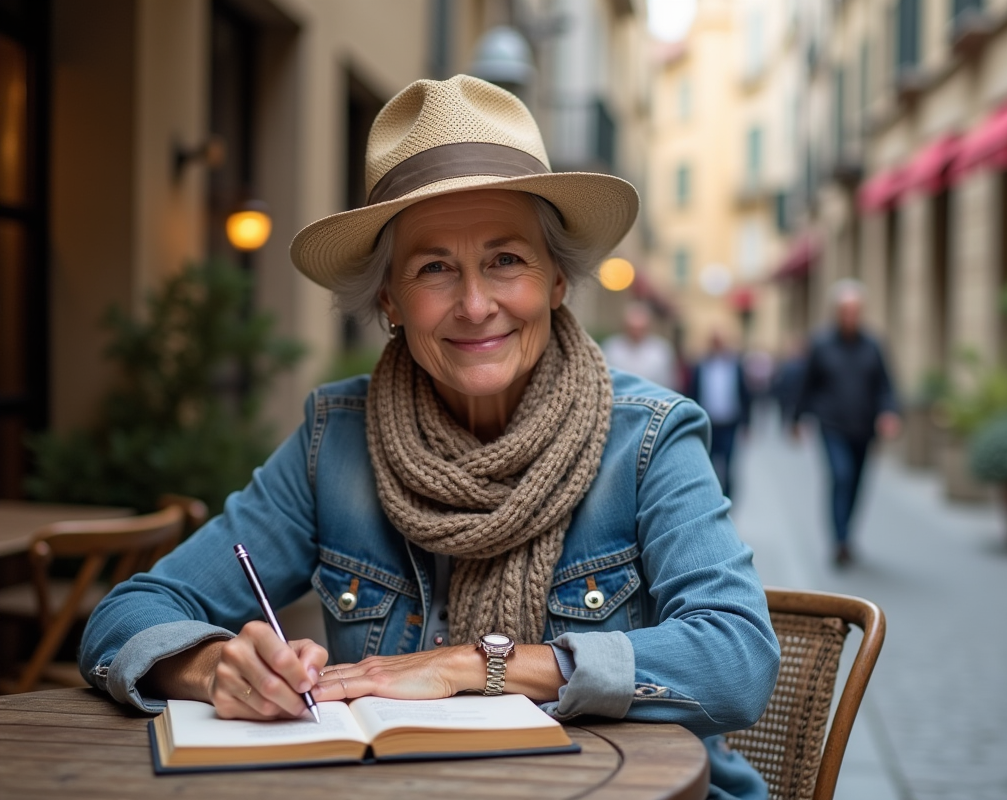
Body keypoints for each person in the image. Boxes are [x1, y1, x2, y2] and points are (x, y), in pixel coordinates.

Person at [79, 76, 779, 800]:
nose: (476, 305)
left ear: (557, 281)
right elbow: (125, 615)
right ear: (389, 298)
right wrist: (213, 666)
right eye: (434, 268)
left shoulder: (650, 438)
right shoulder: (335, 441)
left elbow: (738, 659)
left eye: (506, 260)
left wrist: (473, 665)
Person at [790, 280, 900, 566]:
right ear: (836, 312)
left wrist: (889, 412)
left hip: (864, 427)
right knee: (841, 476)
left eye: (855, 310)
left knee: (856, 483)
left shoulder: (873, 345)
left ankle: (847, 534)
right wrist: (796, 419)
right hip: (831, 424)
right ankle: (839, 541)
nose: (850, 315)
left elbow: (885, 386)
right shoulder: (821, 344)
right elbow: (806, 385)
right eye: (845, 310)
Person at [689, 332, 750, 501]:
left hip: (730, 422)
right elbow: (692, 392)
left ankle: (728, 499)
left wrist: (747, 423)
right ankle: (709, 497)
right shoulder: (700, 365)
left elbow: (745, 394)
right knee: (706, 463)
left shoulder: (735, 365)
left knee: (728, 464)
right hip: (707, 422)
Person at [601, 302, 680, 390]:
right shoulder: (611, 347)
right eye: (632, 328)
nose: (636, 333)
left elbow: (669, 382)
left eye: (640, 329)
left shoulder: (661, 350)